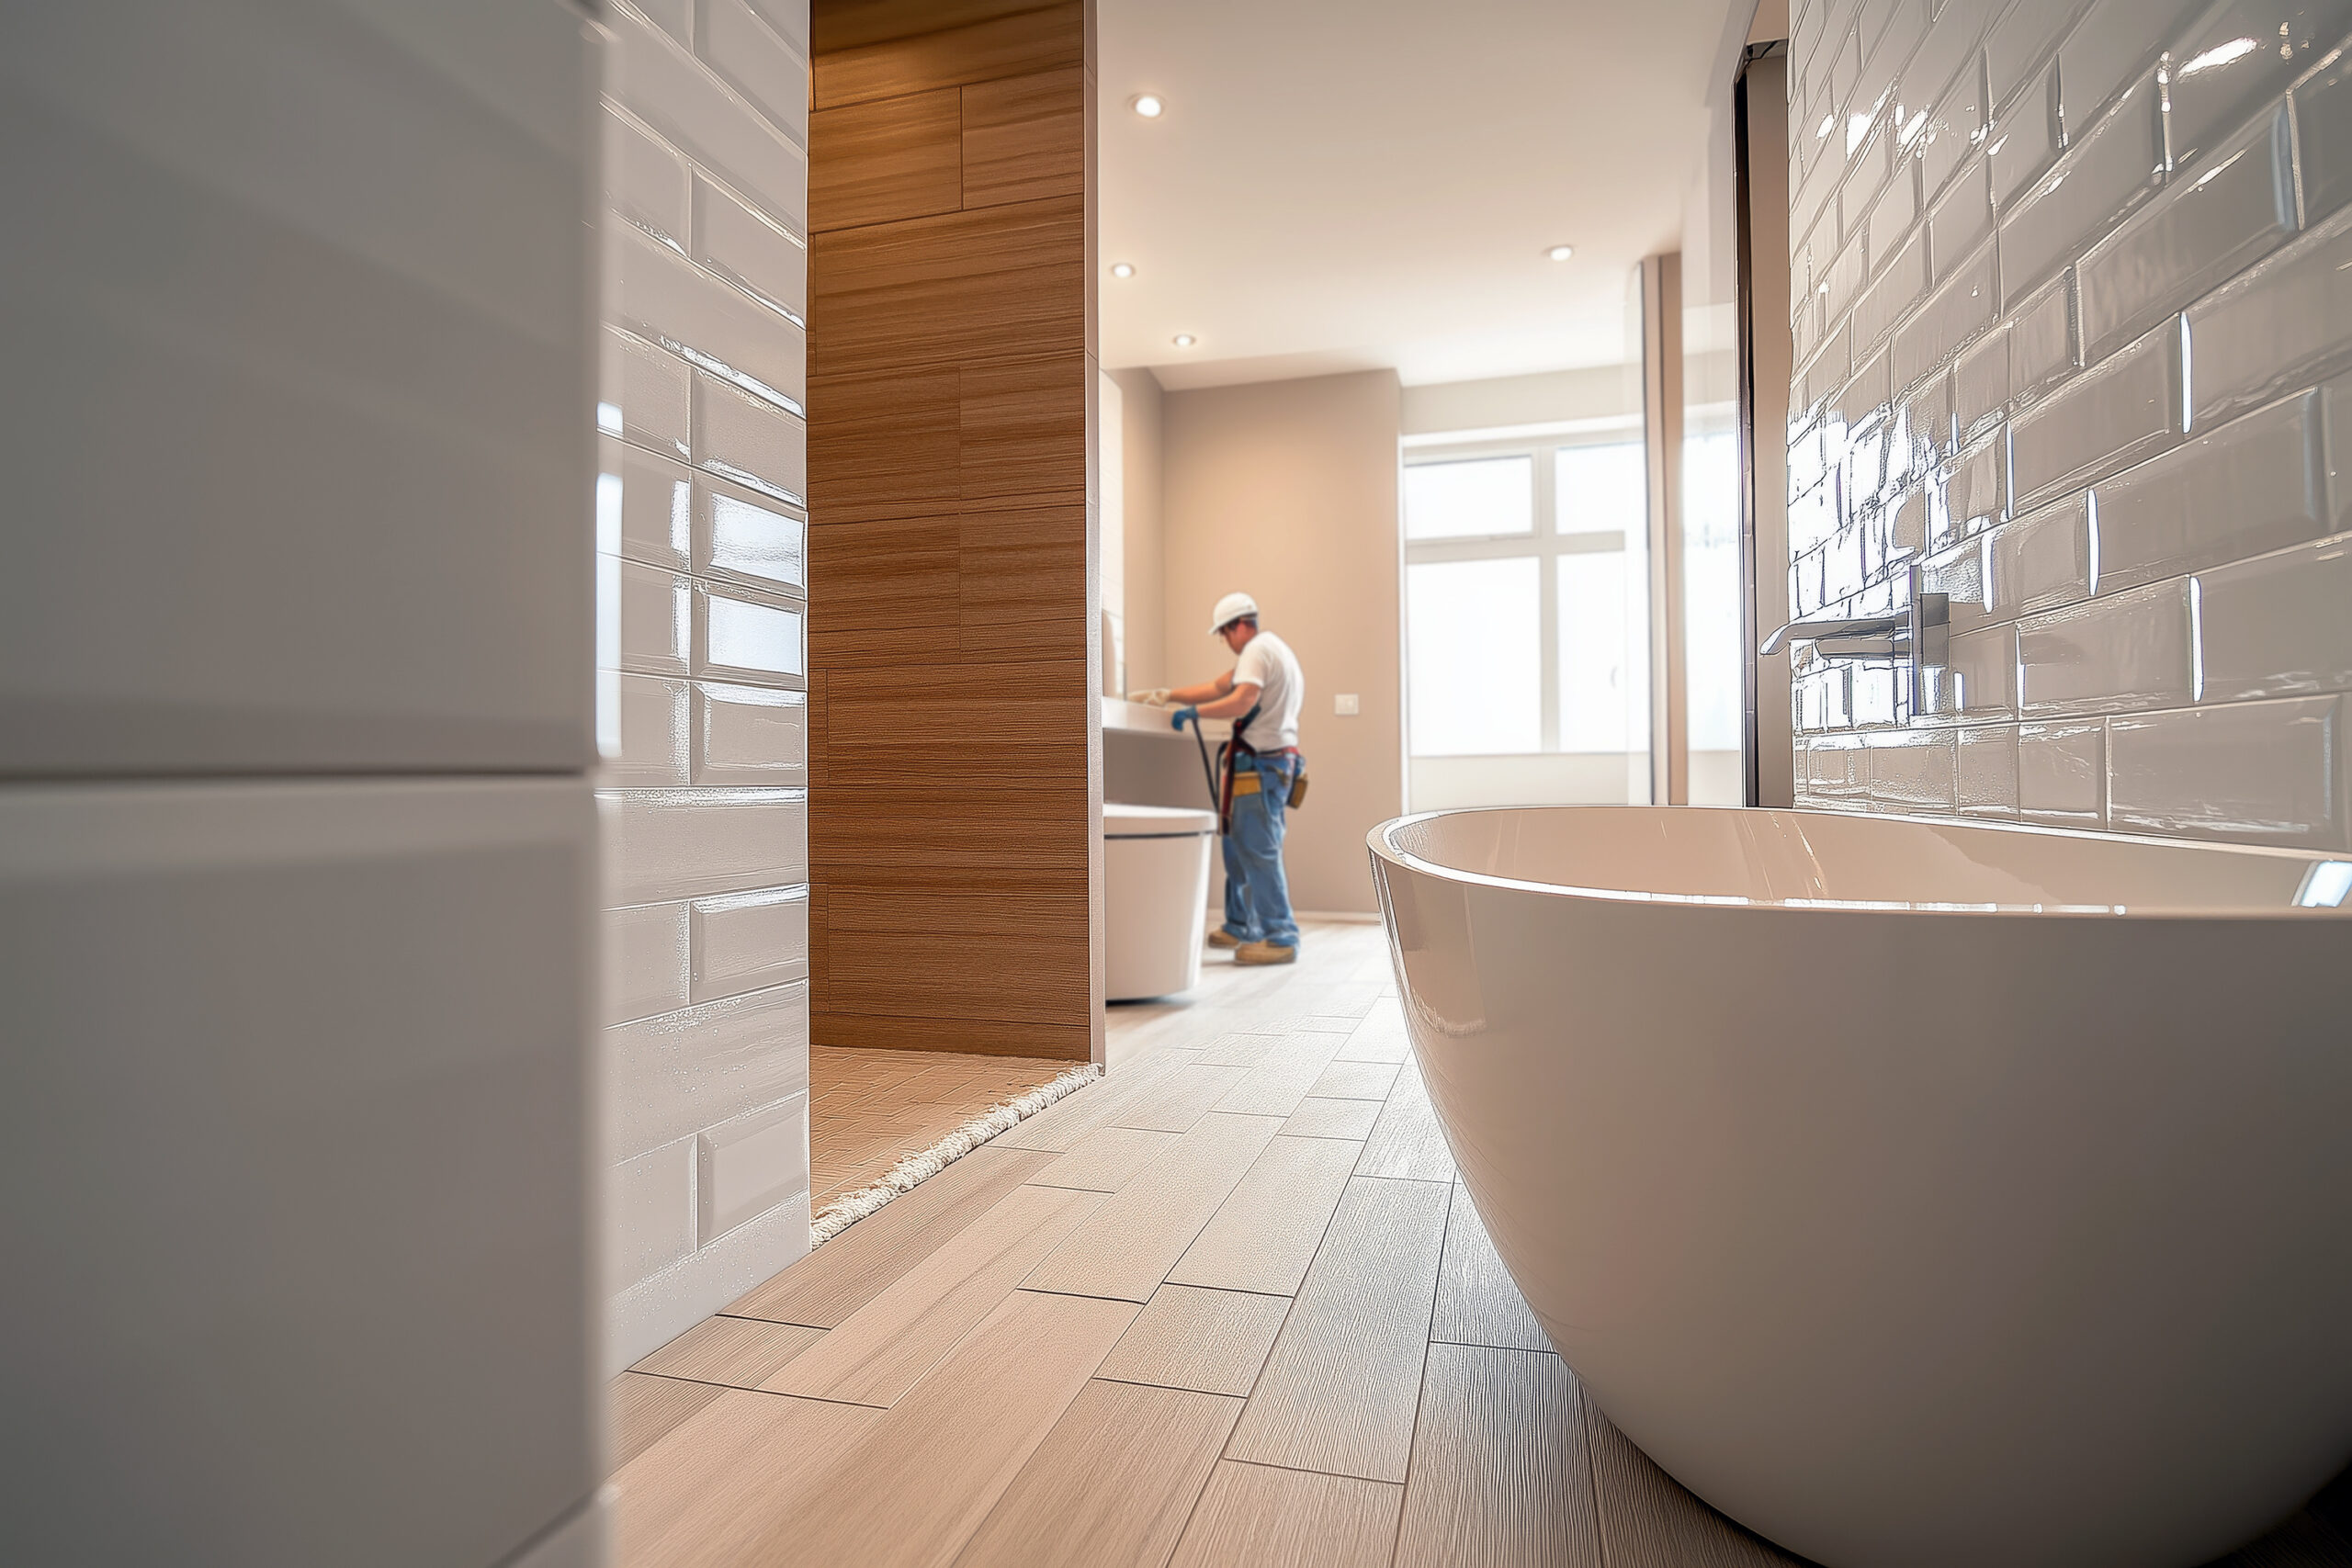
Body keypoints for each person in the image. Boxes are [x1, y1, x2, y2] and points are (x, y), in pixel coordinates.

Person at [1147, 592, 1306, 965]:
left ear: (1238, 626)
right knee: (1238, 849)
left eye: (1223, 633)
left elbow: (1241, 701)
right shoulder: (1271, 649)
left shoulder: (1256, 649)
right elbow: (1221, 687)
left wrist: (1193, 713)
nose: (1224, 641)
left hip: (1261, 768)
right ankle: (1241, 925)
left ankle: (1280, 936)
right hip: (1264, 766)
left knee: (1259, 853)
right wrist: (1167, 695)